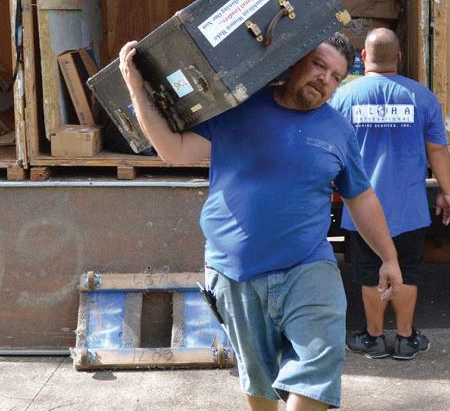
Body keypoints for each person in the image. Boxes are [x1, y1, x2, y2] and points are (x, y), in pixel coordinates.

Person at [118, 33, 403, 411]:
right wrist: (136, 88)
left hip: (307, 266)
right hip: (234, 270)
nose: (325, 80)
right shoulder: (239, 106)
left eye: (336, 76)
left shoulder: (338, 129)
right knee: (258, 380)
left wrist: (389, 257)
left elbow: (361, 197)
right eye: (319, 66)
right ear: (295, 60)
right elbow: (175, 150)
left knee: (319, 364)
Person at [330, 28, 450, 361]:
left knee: (369, 271)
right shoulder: (422, 97)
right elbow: (437, 149)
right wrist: (447, 191)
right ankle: (405, 339)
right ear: (399, 57)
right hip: (409, 207)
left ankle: (372, 339)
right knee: (408, 270)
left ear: (363, 57)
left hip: (361, 208)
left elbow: (330, 149)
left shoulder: (343, 97)